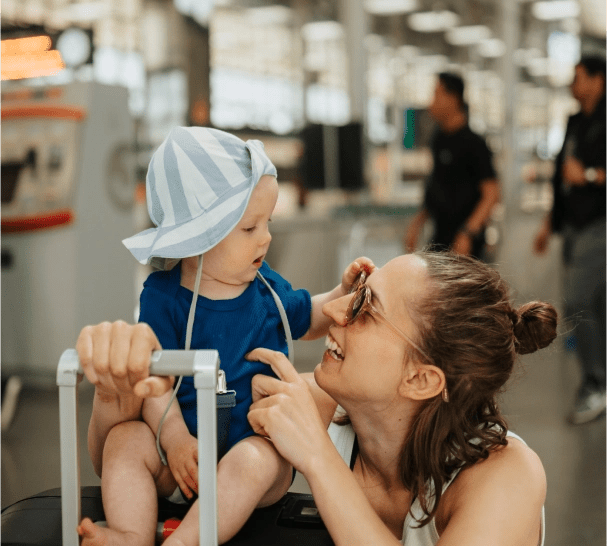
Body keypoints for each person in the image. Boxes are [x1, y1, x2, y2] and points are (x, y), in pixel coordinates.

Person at [75, 126, 374, 546]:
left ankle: (185, 542)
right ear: (199, 237)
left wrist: (341, 294)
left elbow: (307, 317)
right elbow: (154, 377)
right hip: (176, 457)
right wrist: (175, 439)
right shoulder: (163, 297)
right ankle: (129, 533)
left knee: (254, 459)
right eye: (250, 227)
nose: (266, 237)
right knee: (124, 440)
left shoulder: (265, 286)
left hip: (251, 453)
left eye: (267, 222)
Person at [247, 252, 557, 545]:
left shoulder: (509, 476)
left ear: (421, 379)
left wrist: (317, 456)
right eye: (356, 291)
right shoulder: (316, 407)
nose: (332, 309)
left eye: (365, 307)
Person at [533, 55, 606, 425]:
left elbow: (581, 174)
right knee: (596, 304)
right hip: (574, 226)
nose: (573, 84)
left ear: (597, 81)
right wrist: (549, 224)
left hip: (600, 222)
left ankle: (595, 383)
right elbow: (563, 178)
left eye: (579, 77)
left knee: (578, 299)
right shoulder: (576, 121)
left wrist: (590, 176)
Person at [404, 73, 500, 260]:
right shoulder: (438, 139)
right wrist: (417, 224)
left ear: (453, 98)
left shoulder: (474, 144)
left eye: (436, 93)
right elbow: (436, 186)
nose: (431, 101)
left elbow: (492, 194)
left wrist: (468, 233)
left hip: (468, 248)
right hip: (440, 241)